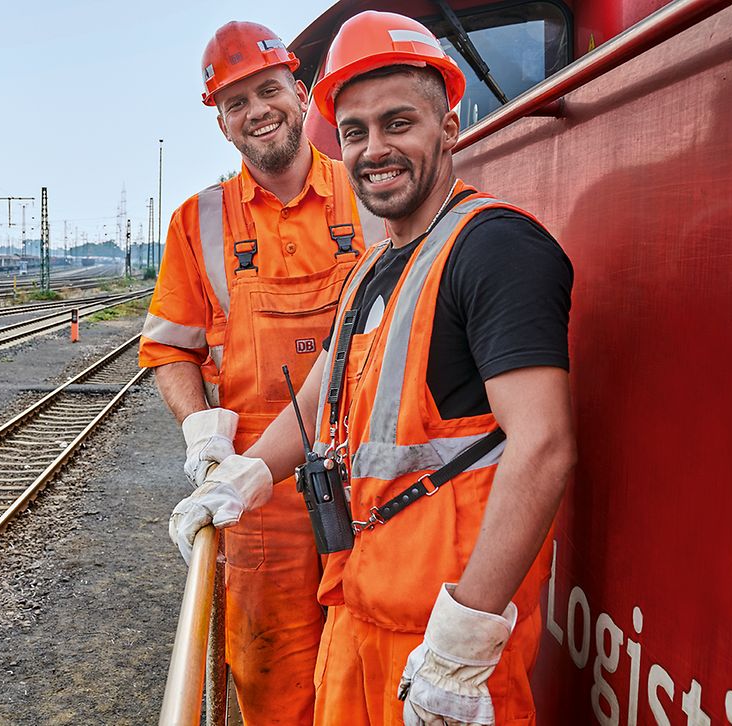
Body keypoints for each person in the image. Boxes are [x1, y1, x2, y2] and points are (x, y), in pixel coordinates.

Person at [170, 10, 577, 725]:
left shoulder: (496, 250)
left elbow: (544, 445)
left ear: (448, 128)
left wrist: (465, 640)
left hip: (439, 639)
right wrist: (247, 474)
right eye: (355, 132)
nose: (373, 149)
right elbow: (329, 375)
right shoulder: (376, 267)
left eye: (399, 124)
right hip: (358, 606)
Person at [140, 20, 380, 725]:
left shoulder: (370, 195)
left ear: (302, 96)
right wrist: (200, 433)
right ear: (221, 124)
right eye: (236, 102)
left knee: (370, 675)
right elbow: (167, 348)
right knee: (271, 679)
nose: (257, 111)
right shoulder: (200, 221)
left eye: (269, 90)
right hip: (257, 498)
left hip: (372, 486)